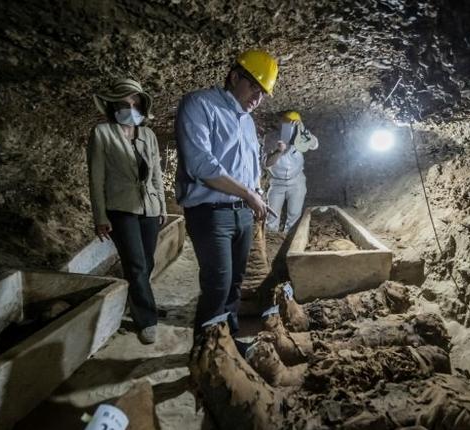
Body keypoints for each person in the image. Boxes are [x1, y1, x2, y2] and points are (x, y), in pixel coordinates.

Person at [174, 50, 278, 342]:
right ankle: (206, 357)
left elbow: (250, 165)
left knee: (234, 285)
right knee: (217, 286)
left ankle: (227, 348)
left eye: (263, 93)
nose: (257, 97)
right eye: (254, 87)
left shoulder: (246, 121)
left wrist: (255, 192)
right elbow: (200, 164)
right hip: (210, 213)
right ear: (234, 76)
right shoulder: (199, 104)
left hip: (242, 213)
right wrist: (248, 193)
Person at [88, 78, 166, 345]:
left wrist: (162, 207)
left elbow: (157, 174)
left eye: (135, 103)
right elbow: (96, 178)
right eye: (124, 103)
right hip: (121, 208)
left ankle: (138, 301)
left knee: (148, 262)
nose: (130, 108)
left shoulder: (149, 135)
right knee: (135, 264)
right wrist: (100, 216)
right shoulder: (102, 134)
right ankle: (147, 320)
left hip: (150, 207)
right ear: (113, 106)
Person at [263, 111, 319, 233]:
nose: (291, 127)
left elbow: (315, 145)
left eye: (294, 124)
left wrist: (304, 131)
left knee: (294, 215)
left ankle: (290, 242)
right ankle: (272, 243)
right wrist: (279, 151)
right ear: (281, 123)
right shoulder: (272, 138)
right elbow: (267, 163)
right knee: (271, 217)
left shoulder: (302, 137)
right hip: (277, 183)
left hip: (296, 182)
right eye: (288, 124)